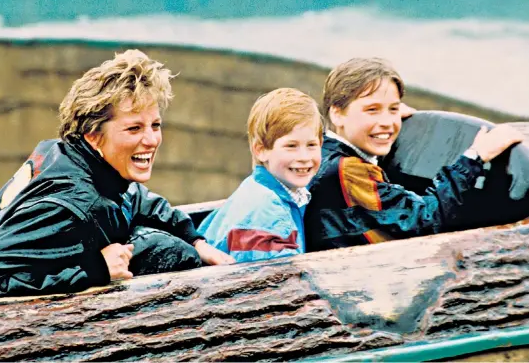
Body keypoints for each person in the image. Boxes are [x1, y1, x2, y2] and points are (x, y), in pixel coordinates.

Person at [0, 49, 234, 300]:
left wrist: (195, 240)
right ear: (93, 135)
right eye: (134, 128)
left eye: (155, 125)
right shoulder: (69, 206)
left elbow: (136, 199)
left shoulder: (66, 155)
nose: (151, 140)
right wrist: (95, 271)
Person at [304, 57, 525, 251]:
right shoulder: (348, 171)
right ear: (337, 114)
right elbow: (426, 220)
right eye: (372, 110)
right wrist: (475, 157)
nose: (387, 122)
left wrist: (384, 121)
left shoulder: (320, 152)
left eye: (393, 109)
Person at [198, 88, 322, 262]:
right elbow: (282, 281)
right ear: (261, 150)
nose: (304, 157)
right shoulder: (269, 213)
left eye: (311, 145)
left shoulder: (257, 188)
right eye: (291, 146)